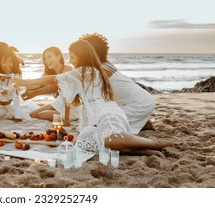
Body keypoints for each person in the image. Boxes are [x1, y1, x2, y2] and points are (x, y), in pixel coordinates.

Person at [14, 39, 173, 156]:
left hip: (107, 115)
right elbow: (56, 84)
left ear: (81, 55)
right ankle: (144, 151)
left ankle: (156, 143)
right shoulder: (81, 74)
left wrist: (26, 81)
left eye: (72, 56)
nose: (70, 60)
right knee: (89, 144)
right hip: (92, 120)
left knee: (111, 140)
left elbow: (53, 79)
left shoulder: (88, 70)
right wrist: (31, 89)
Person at [79, 33, 156, 134]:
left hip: (139, 104)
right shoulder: (105, 63)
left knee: (105, 125)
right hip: (143, 99)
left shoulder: (99, 70)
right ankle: (143, 122)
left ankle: (140, 122)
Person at [0, 42, 39, 121]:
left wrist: (18, 117)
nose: (8, 64)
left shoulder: (16, 76)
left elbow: (16, 96)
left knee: (28, 116)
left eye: (10, 61)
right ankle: (6, 114)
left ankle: (8, 114)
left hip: (11, 105)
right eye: (4, 62)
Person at [21, 47, 78, 122]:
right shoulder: (48, 73)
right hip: (59, 102)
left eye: (49, 57)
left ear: (59, 57)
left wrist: (35, 93)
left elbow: (56, 86)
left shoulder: (68, 69)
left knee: (41, 114)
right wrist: (20, 87)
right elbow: (36, 84)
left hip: (70, 106)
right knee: (33, 115)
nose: (46, 60)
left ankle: (72, 116)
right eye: (44, 59)